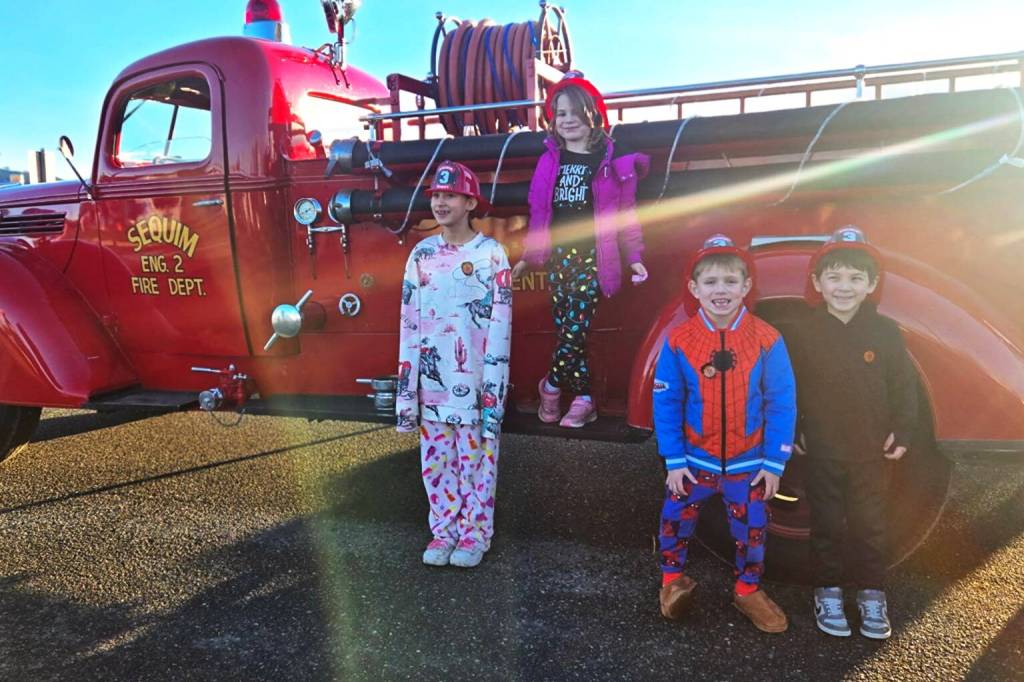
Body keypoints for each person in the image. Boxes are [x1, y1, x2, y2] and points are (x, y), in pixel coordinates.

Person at [653, 234, 796, 633]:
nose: (721, 291)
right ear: (694, 289)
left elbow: (781, 402)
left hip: (748, 464)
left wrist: (774, 460)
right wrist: (674, 459)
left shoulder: (767, 338)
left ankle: (747, 589)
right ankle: (671, 581)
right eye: (711, 282)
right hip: (692, 462)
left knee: (752, 531)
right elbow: (666, 402)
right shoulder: (679, 340)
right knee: (674, 521)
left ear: (746, 287)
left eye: (731, 281)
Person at [784, 225, 917, 640]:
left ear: (872, 284)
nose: (845, 287)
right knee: (826, 524)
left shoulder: (885, 332)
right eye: (835, 277)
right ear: (817, 283)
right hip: (822, 448)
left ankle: (872, 594)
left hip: (871, 451)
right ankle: (827, 591)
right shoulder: (802, 331)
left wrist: (904, 430)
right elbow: (792, 386)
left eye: (856, 278)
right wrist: (796, 429)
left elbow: (903, 386)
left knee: (870, 524)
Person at [510, 71, 649, 428]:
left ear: (594, 115)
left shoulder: (611, 163)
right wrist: (529, 257)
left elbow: (625, 215)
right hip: (559, 258)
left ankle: (551, 387)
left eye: (575, 112)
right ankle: (585, 400)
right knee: (570, 331)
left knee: (575, 328)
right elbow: (538, 212)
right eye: (560, 113)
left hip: (594, 258)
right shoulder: (549, 162)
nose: (567, 120)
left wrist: (634, 258)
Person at [395, 160, 513, 569]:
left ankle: (475, 534)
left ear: (469, 202)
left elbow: (500, 328)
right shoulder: (421, 254)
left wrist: (493, 390)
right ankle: (443, 531)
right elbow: (409, 322)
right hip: (433, 387)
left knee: (477, 464)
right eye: (437, 196)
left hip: (476, 387)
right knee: (437, 465)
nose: (441, 202)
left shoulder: (492, 255)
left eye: (450, 195)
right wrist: (407, 392)